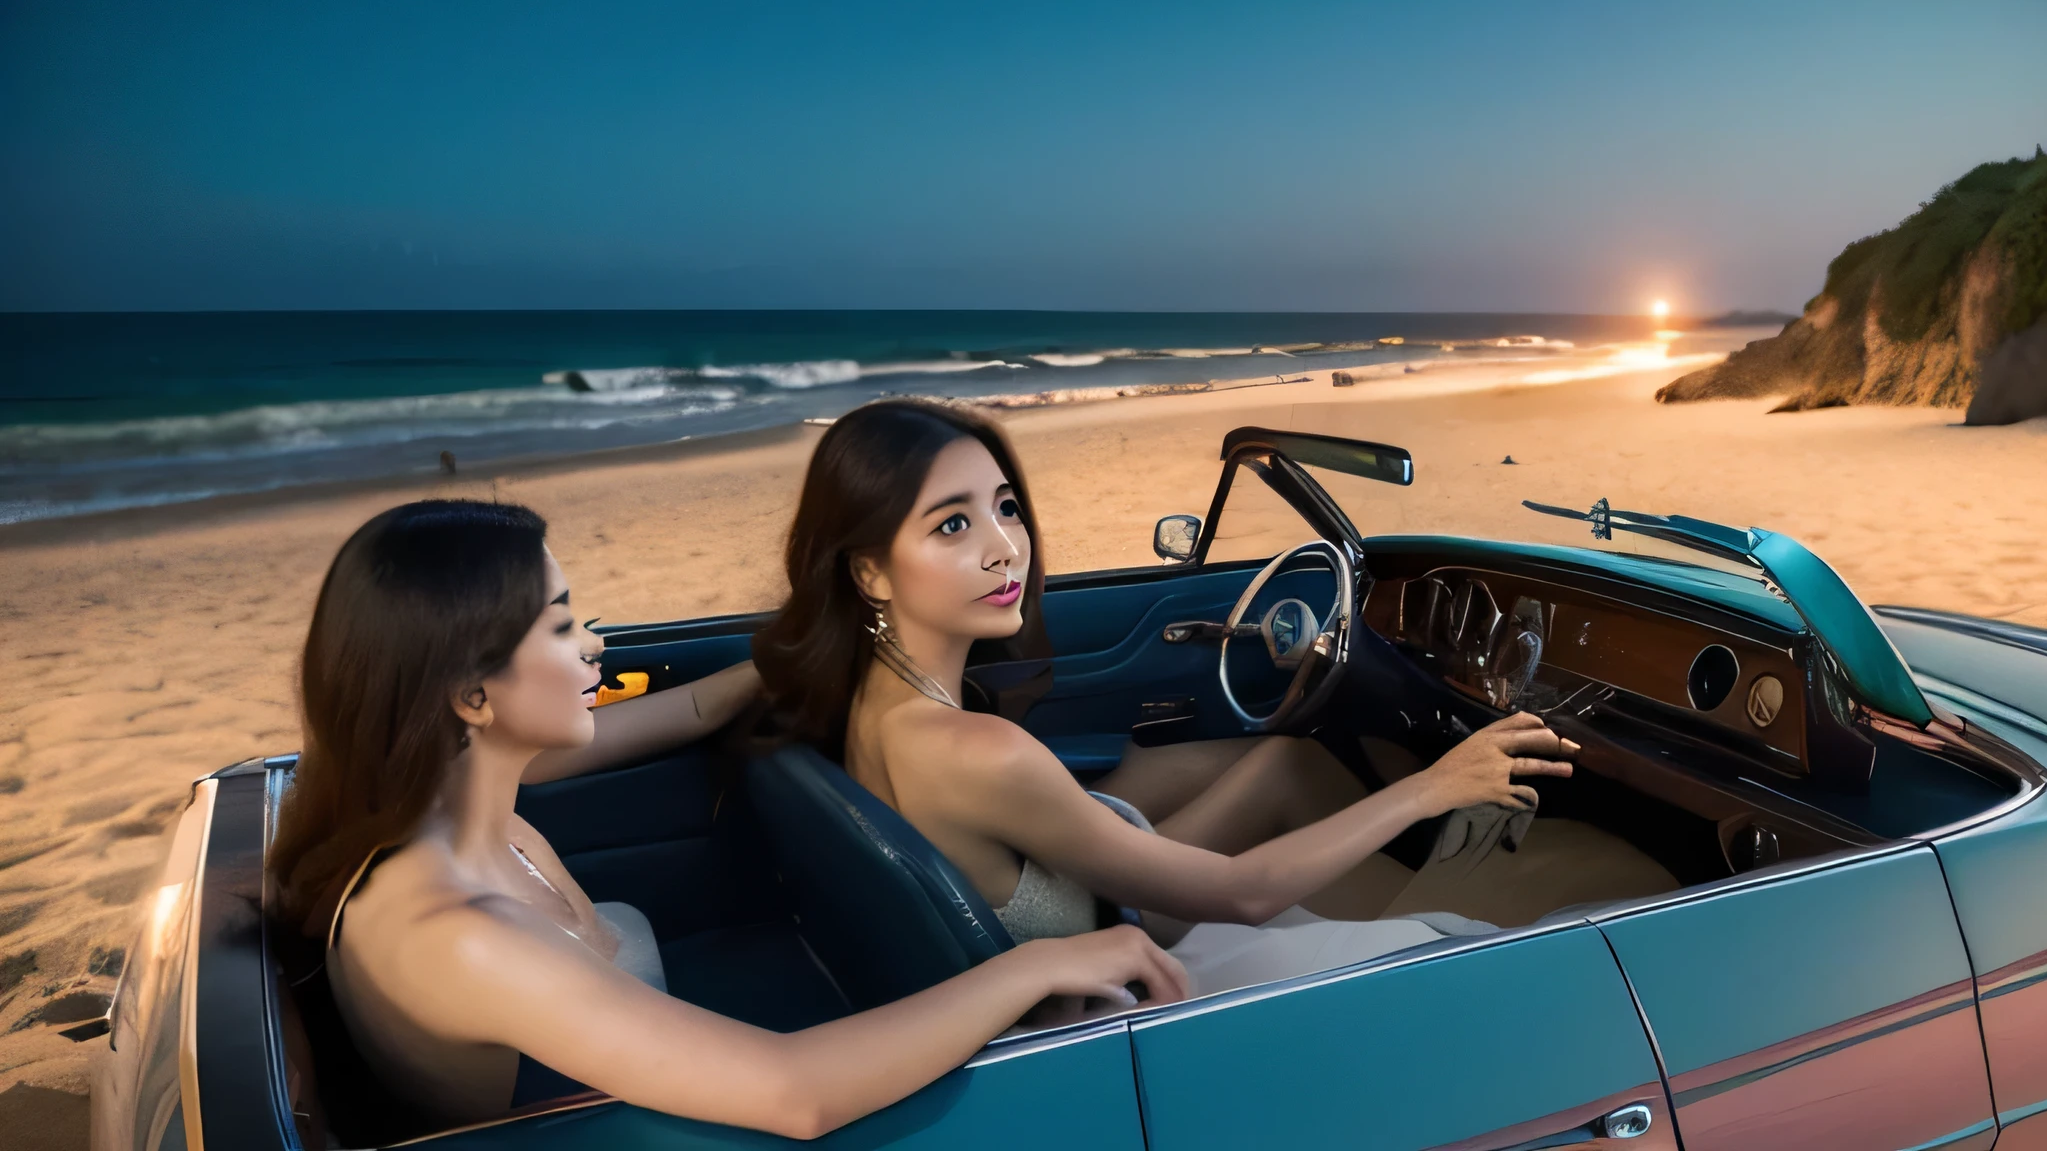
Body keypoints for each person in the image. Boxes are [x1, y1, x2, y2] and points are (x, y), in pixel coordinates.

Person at [267, 499, 1186, 1134]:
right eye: (559, 624)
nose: (596, 644)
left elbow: (699, 710)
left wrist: (814, 644)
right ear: (471, 693)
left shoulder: (472, 802)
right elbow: (796, 1096)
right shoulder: (456, 932)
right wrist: (1036, 963)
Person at [749, 400, 1614, 995]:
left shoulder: (863, 697)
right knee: (1537, 918)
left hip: (1104, 919)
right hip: (1159, 992)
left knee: (1280, 760)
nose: (1005, 548)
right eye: (952, 524)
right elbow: (1240, 894)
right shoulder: (976, 752)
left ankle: (1411, 884)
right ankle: (1432, 900)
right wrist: (1438, 784)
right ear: (866, 568)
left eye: (1005, 509)